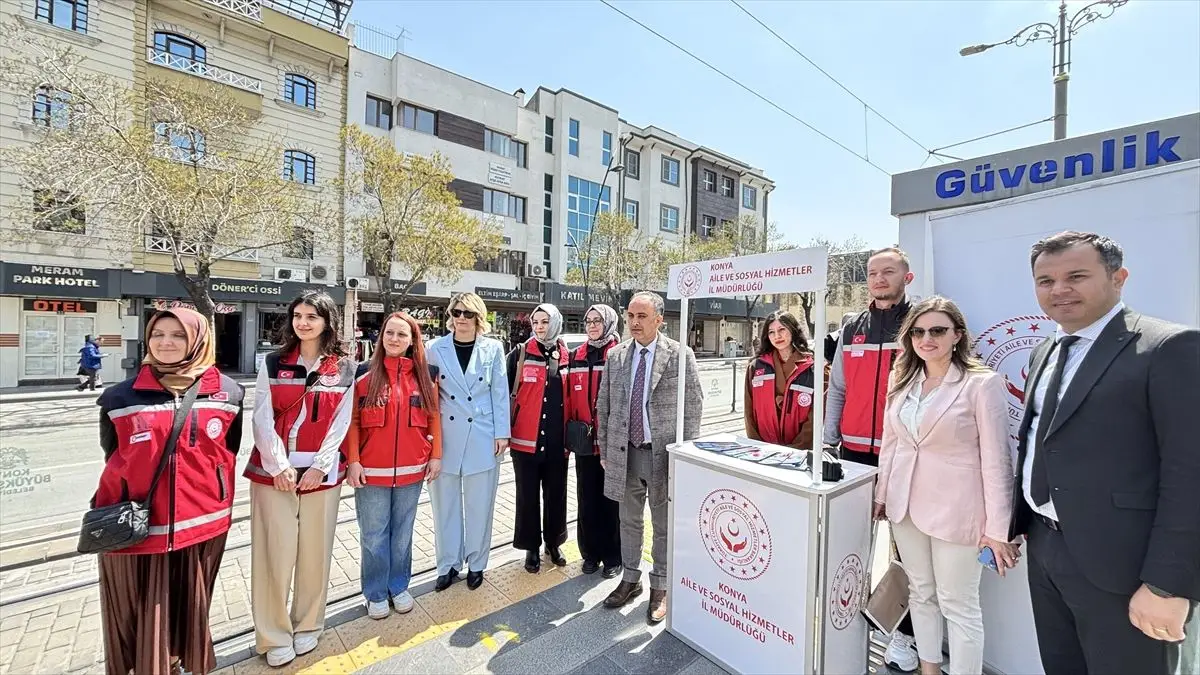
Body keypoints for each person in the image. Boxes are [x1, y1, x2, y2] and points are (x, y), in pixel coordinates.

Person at [1008, 231, 1200, 674]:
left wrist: (1168, 585)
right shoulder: (1044, 352)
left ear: (1119, 278)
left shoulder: (1167, 347)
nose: (1059, 290)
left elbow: (1189, 475)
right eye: (1045, 281)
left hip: (1125, 569)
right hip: (1046, 549)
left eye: (1076, 276)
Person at [94, 308, 244, 675]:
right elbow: (112, 453)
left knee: (189, 604)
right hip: (136, 528)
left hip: (202, 524)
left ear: (197, 340)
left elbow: (228, 451)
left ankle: (177, 661)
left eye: (178, 335)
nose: (166, 343)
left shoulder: (228, 392)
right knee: (136, 608)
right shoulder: (119, 397)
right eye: (158, 334)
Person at [873, 297, 1017, 675]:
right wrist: (882, 494)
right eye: (918, 331)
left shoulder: (981, 384)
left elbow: (998, 461)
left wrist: (998, 530)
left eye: (937, 330)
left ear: (958, 335)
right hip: (905, 508)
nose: (927, 339)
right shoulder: (900, 379)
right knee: (920, 594)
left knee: (959, 605)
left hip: (959, 513)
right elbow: (892, 443)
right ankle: (929, 669)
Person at [822, 246, 920, 672]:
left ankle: (903, 638)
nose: (878, 279)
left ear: (907, 277)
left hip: (905, 458)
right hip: (854, 455)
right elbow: (838, 391)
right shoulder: (852, 326)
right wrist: (827, 443)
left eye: (888, 272)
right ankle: (842, 619)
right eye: (872, 273)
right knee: (851, 545)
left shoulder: (920, 326)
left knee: (906, 554)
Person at [245, 291, 354, 668]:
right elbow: (261, 416)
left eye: (312, 316)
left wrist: (321, 466)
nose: (303, 322)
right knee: (273, 555)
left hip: (322, 476)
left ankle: (309, 623)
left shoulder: (344, 368)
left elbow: (342, 422)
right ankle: (273, 634)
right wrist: (278, 466)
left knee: (314, 553)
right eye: (298, 315)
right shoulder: (273, 363)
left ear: (328, 322)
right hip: (274, 476)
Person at [596, 291, 702, 624]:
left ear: (659, 319)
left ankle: (662, 586)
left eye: (642, 316)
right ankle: (630, 579)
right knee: (628, 520)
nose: (634, 323)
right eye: (630, 316)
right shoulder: (616, 356)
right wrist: (604, 447)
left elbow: (694, 406)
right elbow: (604, 405)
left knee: (663, 525)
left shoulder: (679, 355)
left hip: (663, 454)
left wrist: (688, 454)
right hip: (624, 452)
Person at [345, 312, 442, 620]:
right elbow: (353, 422)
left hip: (413, 472)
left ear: (413, 340)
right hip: (372, 472)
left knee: (402, 535)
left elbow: (434, 418)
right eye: (390, 333)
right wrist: (353, 461)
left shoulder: (428, 375)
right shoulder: (362, 374)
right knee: (373, 535)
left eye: (402, 334)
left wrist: (435, 455)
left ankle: (399, 586)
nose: (395, 339)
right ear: (381, 336)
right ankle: (374, 592)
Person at [425, 293, 510, 592]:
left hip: (483, 433)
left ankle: (476, 563)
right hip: (445, 437)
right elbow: (427, 394)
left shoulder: (493, 348)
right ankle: (447, 564)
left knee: (479, 504)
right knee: (444, 504)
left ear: (479, 317)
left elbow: (500, 392)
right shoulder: (434, 348)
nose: (461, 318)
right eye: (456, 312)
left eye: (468, 313)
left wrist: (503, 433)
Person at [506, 303, 570, 573]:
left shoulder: (567, 355)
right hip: (525, 442)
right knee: (527, 496)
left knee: (556, 495)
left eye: (545, 321)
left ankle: (553, 543)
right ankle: (531, 547)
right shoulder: (519, 354)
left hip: (558, 441)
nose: (540, 326)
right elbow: (503, 395)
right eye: (536, 322)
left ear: (555, 322)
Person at [566, 304, 622, 579]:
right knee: (587, 499)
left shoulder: (620, 353)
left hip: (612, 440)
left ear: (609, 322)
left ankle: (613, 556)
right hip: (585, 441)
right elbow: (568, 396)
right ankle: (590, 553)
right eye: (588, 320)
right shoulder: (576, 355)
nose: (592, 325)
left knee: (611, 500)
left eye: (598, 320)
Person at [744, 310, 819, 448]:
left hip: (800, 451)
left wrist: (798, 447)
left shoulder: (813, 367)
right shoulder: (756, 367)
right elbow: (749, 413)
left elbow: (816, 414)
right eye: (771, 332)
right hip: (763, 449)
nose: (777, 336)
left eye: (781, 329)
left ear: (793, 330)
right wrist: (756, 445)